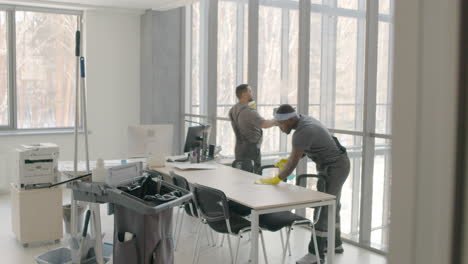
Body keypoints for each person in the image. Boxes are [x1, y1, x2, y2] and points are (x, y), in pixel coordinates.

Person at [257, 104, 350, 264]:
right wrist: (289, 161)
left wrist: (277, 178)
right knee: (333, 204)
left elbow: (293, 162)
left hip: (335, 167)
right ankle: (335, 244)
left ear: (292, 119)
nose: (280, 127)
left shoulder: (303, 131)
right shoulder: (304, 121)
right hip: (333, 164)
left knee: (324, 207)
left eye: (281, 124)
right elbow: (304, 150)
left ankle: (315, 255)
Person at [229, 84, 277, 173]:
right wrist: (277, 120)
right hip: (250, 150)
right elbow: (264, 124)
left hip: (240, 148)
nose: (252, 93)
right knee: (252, 177)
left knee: (241, 176)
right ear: (244, 94)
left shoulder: (233, 109)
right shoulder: (248, 111)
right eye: (250, 91)